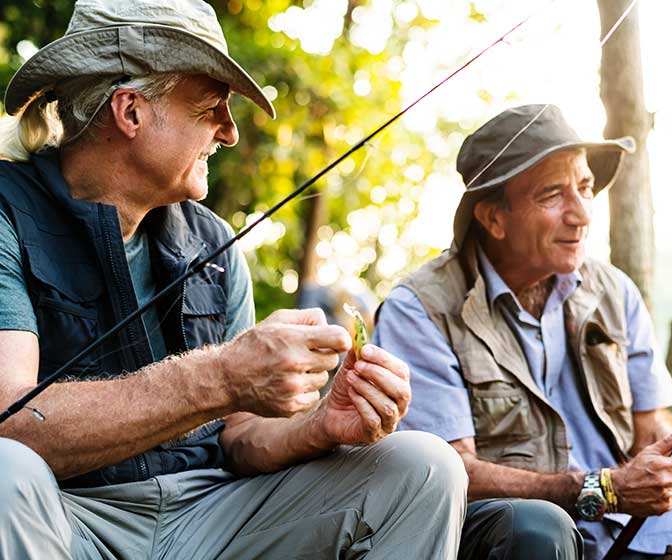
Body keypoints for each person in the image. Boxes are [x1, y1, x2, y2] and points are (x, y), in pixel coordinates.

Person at [0, 1, 467, 558]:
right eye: (211, 108)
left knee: (423, 467)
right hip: (64, 515)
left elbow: (240, 436)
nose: (230, 132)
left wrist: (321, 424)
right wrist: (220, 375)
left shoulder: (213, 241)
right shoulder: (8, 209)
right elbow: (10, 422)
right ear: (130, 112)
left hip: (209, 515)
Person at [373, 104, 672, 560]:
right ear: (493, 218)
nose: (580, 214)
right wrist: (603, 490)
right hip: (528, 537)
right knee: (538, 527)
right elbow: (450, 474)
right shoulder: (420, 310)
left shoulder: (614, 290)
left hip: (647, 532)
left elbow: (654, 430)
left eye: (586, 188)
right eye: (552, 195)